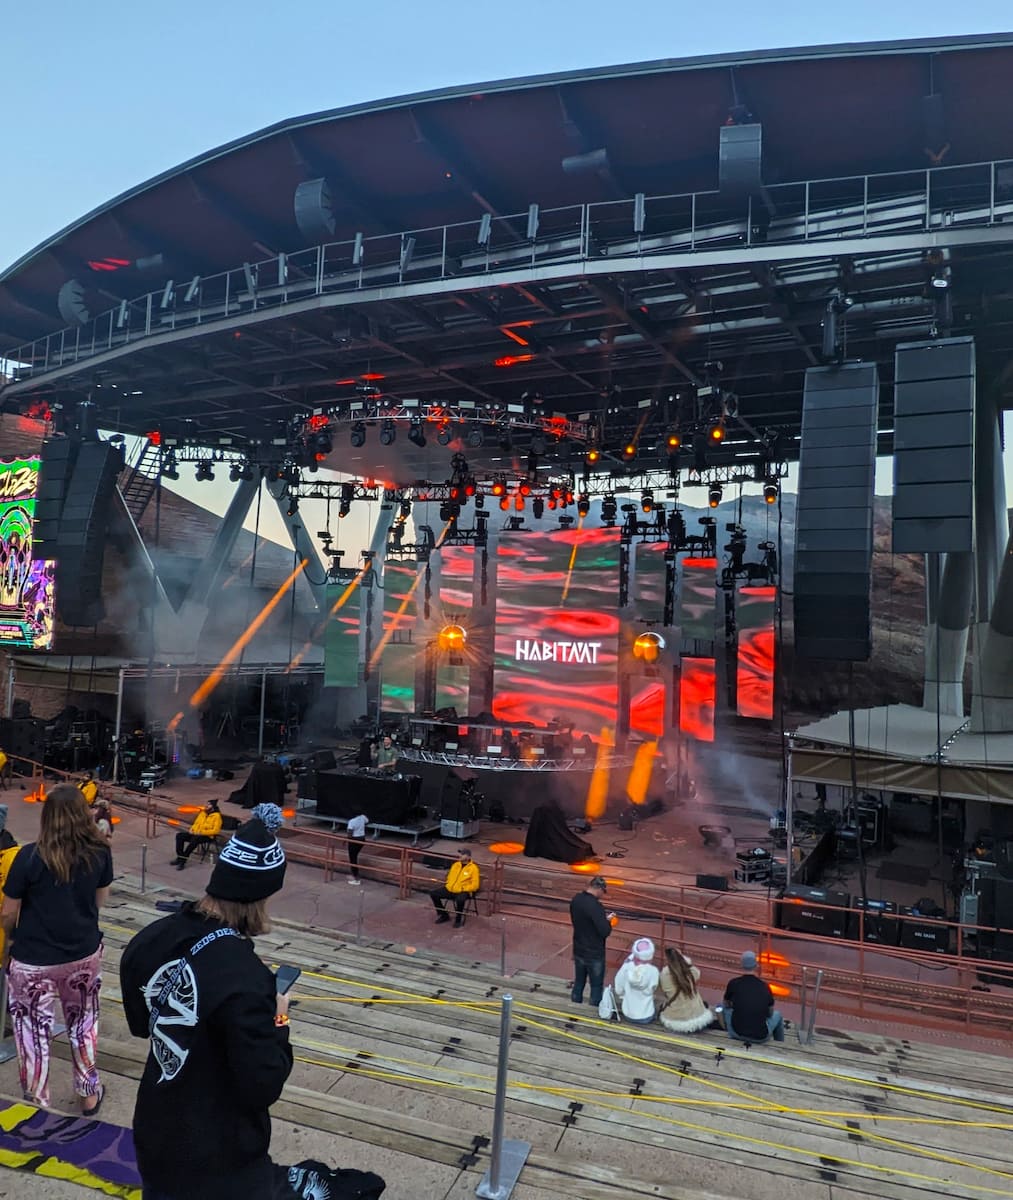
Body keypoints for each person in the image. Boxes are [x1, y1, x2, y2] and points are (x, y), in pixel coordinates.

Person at [120, 815, 293, 1199]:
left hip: (156, 1131)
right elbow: (264, 1083)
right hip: (220, 1158)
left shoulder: (152, 938)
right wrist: (279, 1016)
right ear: (261, 895)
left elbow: (140, 1024)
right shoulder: (248, 978)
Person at [0, 784, 113, 1112]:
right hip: (83, 954)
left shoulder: (28, 856)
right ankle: (89, 1094)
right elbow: (100, 901)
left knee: (32, 1031)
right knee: (84, 1023)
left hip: (33, 958)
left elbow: (9, 911)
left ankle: (37, 1100)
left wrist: (9, 941)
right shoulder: (100, 852)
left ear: (47, 817)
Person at [569, 876, 616, 1006]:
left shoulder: (576, 900)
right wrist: (608, 921)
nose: (602, 895)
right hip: (594, 952)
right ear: (599, 889)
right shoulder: (596, 906)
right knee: (596, 986)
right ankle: (593, 1012)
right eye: (603, 892)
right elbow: (605, 931)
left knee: (579, 982)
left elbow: (583, 921)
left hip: (578, 948)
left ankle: (573, 1007)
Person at [721, 950, 784, 1043]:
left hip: (736, 1033)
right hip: (761, 1036)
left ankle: (723, 1030)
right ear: (756, 965)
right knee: (777, 1015)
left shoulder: (734, 983)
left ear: (741, 964)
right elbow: (770, 1013)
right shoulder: (765, 986)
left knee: (722, 1007)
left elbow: (726, 1003)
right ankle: (780, 1044)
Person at [657, 947, 714, 1033]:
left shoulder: (664, 975)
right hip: (697, 1016)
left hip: (675, 1018)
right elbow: (698, 974)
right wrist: (686, 961)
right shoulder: (691, 971)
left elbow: (665, 991)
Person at [613, 937, 660, 1024]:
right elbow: (653, 988)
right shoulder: (654, 971)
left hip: (628, 1014)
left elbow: (618, 990)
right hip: (647, 1015)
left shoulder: (626, 968)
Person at [430, 848, 480, 928]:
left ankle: (458, 919)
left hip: (463, 891)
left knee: (460, 899)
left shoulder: (473, 868)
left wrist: (463, 889)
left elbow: (475, 885)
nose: (459, 855)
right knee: (433, 894)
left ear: (468, 857)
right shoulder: (455, 865)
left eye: (462, 854)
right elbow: (450, 877)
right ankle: (444, 915)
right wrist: (449, 885)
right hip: (450, 888)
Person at [171, 799, 223, 869]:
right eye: (206, 804)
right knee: (180, 836)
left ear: (213, 807)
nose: (206, 806)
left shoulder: (217, 816)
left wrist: (202, 833)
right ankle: (180, 857)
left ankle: (183, 861)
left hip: (207, 836)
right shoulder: (202, 813)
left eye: (209, 804)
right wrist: (191, 829)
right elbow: (196, 823)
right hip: (196, 833)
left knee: (194, 840)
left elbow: (215, 831)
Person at [347, 813, 368, 885]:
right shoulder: (363, 817)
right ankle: (354, 875)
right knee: (354, 857)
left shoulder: (352, 821)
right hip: (362, 839)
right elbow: (367, 821)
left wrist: (347, 841)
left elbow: (350, 833)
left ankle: (356, 878)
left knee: (353, 859)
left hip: (354, 840)